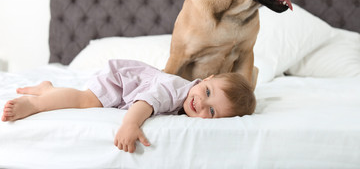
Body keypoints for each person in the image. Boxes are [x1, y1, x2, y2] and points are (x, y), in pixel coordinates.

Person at [1, 59, 256, 153]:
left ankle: (48, 89)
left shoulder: (190, 98)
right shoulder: (174, 89)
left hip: (134, 81)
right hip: (122, 81)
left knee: (83, 98)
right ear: (206, 79)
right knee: (84, 100)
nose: (201, 103)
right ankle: (36, 103)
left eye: (211, 111)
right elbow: (144, 103)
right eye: (207, 92)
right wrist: (130, 124)